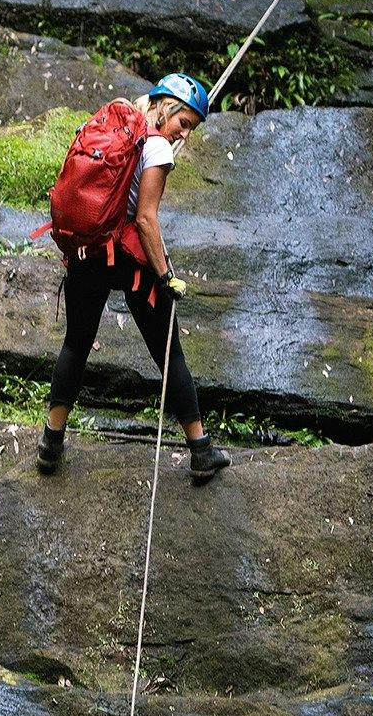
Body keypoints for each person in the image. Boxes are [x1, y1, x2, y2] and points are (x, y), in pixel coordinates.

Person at [36, 72, 230, 483]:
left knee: (75, 343)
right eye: (184, 123)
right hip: (127, 258)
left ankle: (50, 444)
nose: (185, 134)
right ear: (166, 107)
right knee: (170, 354)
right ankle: (200, 451)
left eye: (191, 129)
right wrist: (166, 276)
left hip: (88, 252)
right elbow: (145, 219)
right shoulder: (156, 147)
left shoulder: (117, 123)